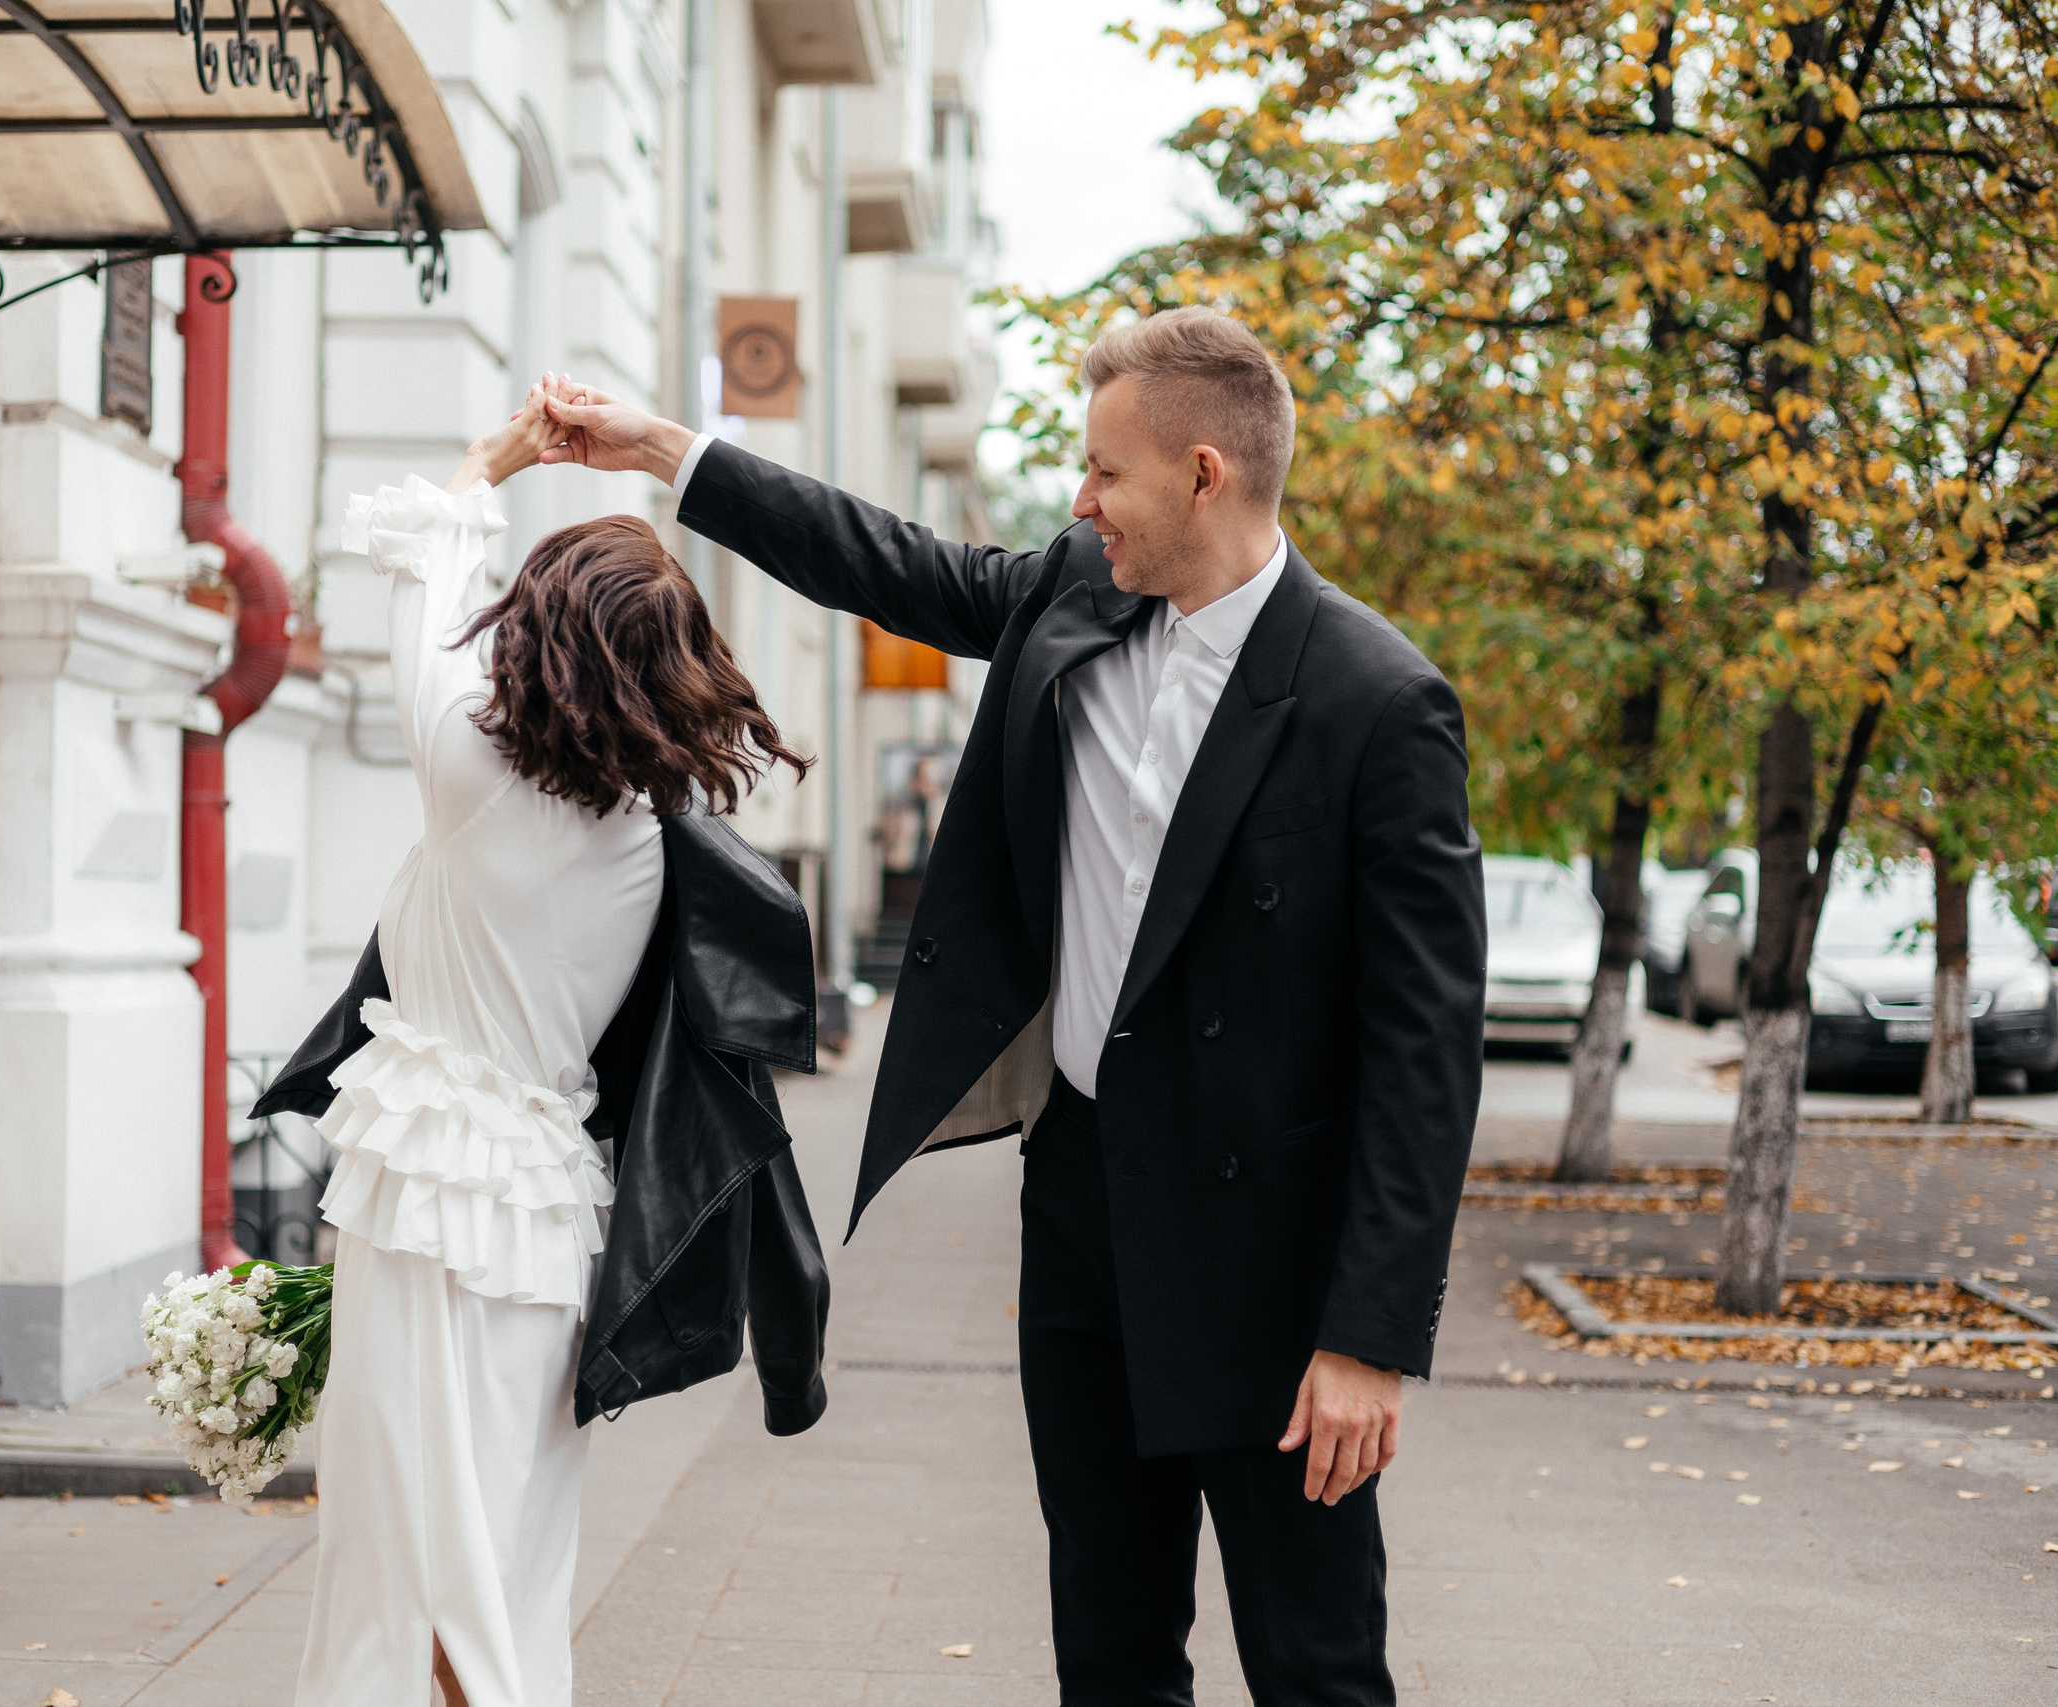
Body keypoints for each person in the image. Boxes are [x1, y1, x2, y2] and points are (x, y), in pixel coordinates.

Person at [533, 308, 1487, 1705]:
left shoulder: (1376, 698)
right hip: (1088, 1208)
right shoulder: (1071, 597)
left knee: (1318, 1666)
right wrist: (668, 452)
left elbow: (1425, 1050)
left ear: (1206, 477)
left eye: (1107, 472)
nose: (1082, 499)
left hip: (1279, 1268)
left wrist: (1372, 1339)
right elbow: (883, 561)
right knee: (1106, 1653)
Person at [292, 383, 819, 1707]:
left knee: (398, 1553)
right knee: (511, 1560)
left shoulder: (464, 764)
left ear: (536, 630)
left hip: (428, 1206)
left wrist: (502, 453)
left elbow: (425, 561)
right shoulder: (655, 833)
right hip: (541, 1219)